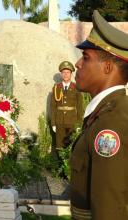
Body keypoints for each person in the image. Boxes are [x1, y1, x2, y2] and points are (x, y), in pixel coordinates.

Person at [70, 10, 128, 220]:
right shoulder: (105, 112)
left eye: (85, 58)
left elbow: (109, 209)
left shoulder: (111, 122)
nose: (77, 64)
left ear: (107, 67)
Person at [50, 61, 83, 149]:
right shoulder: (56, 87)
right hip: (59, 121)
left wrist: (79, 124)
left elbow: (80, 107)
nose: (65, 74)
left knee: (71, 145)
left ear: (71, 74)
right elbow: (53, 107)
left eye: (68, 72)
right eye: (64, 72)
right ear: (61, 74)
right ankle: (60, 163)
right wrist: (53, 123)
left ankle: (70, 163)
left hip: (72, 121)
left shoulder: (76, 87)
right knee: (59, 146)